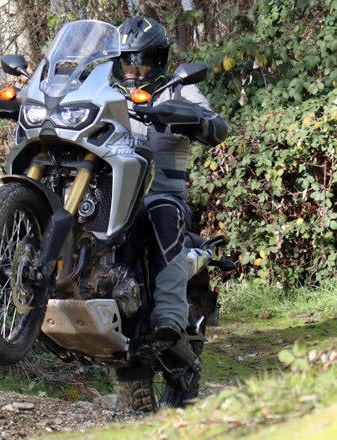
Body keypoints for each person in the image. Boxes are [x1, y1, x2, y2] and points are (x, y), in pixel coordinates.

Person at [112, 17, 228, 342]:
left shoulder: (178, 89)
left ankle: (169, 316)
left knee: (163, 213)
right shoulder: (104, 91)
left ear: (159, 60)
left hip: (160, 192)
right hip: (111, 193)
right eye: (126, 62)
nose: (133, 71)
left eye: (142, 62)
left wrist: (188, 116)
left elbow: (216, 125)